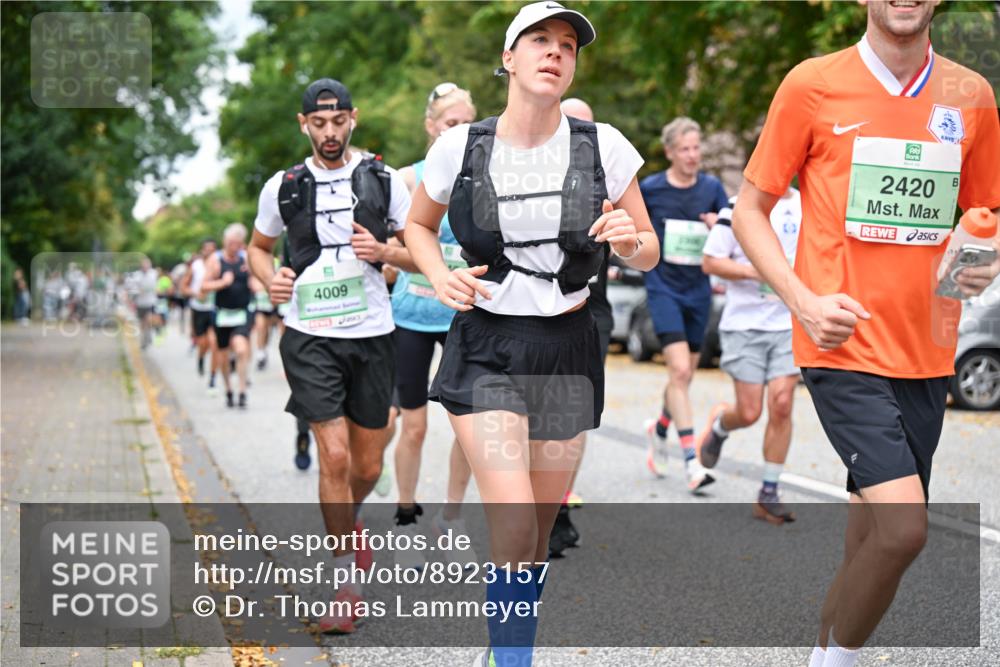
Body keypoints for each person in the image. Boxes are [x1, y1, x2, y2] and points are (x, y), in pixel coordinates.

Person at [731, 2, 1000, 666]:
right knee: (905, 529)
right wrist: (802, 300)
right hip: (839, 341)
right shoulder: (812, 83)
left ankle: (827, 646)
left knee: (868, 533)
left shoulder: (972, 95)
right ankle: (834, 659)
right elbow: (750, 210)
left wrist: (983, 254)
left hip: (929, 346)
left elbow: (986, 209)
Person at [405, 4, 657, 664]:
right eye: (540, 40)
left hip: (569, 349)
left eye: (568, 45)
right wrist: (439, 274)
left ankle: (505, 646)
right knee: (513, 520)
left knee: (540, 532)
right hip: (487, 344)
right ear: (509, 58)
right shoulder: (461, 146)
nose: (556, 52)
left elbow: (649, 246)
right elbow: (418, 226)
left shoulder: (603, 145)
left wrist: (632, 242)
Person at [247, 78, 414, 633]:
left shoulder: (384, 181)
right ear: (304, 125)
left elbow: (420, 250)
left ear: (353, 119)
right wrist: (271, 281)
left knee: (367, 464)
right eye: (318, 124)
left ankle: (351, 522)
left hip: (372, 332)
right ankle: (346, 587)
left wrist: (387, 250)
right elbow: (258, 248)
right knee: (335, 458)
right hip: (308, 332)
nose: (329, 133)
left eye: (338, 121)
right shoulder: (285, 186)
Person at [384, 82, 478, 572]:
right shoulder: (407, 179)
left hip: (463, 314)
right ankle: (404, 505)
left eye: (467, 124)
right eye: (450, 124)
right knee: (414, 424)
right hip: (411, 316)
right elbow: (390, 250)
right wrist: (408, 260)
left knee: (467, 424)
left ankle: (453, 513)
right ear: (431, 127)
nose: (459, 132)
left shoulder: (484, 177)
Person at [700, 188, 801, 523]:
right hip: (744, 324)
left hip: (788, 321)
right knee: (749, 411)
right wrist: (757, 271)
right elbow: (710, 261)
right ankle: (721, 425)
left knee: (783, 402)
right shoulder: (738, 206)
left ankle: (768, 492)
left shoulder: (806, 205)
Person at [640, 116, 729, 492]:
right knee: (679, 371)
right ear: (671, 152)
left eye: (697, 148)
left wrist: (717, 228)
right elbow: (637, 230)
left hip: (698, 291)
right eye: (686, 149)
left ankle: (659, 427)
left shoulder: (711, 188)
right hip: (663, 288)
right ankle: (692, 463)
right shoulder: (651, 189)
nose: (693, 155)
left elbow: (733, 230)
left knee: (685, 375)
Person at [546, 96, 608, 556]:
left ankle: (559, 505)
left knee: (572, 411)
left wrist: (628, 242)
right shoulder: (531, 172)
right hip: (532, 315)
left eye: (587, 127)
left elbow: (644, 245)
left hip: (591, 311)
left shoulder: (609, 176)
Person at [201, 224, 254, 409]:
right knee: (222, 356)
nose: (235, 247)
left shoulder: (246, 259)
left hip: (242, 312)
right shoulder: (216, 261)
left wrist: (253, 277)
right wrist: (222, 282)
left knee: (241, 349)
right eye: (231, 243)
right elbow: (204, 286)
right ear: (225, 242)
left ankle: (242, 391)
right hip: (222, 314)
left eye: (238, 244)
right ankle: (229, 389)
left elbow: (256, 281)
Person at [181, 239, 218, 384]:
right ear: (202, 250)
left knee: (214, 343)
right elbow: (183, 287)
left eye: (212, 249)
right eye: (206, 248)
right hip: (198, 309)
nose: (208, 251)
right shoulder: (195, 266)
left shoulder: (219, 265)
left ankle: (213, 377)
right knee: (203, 344)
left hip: (214, 308)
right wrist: (196, 294)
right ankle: (201, 357)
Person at [134, 258, 158, 349]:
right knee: (142, 323)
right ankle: (144, 338)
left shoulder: (153, 274)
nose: (145, 267)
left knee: (148, 319)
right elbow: (134, 287)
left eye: (147, 265)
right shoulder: (137, 275)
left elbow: (156, 286)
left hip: (150, 302)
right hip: (140, 303)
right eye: (144, 265)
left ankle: (148, 335)